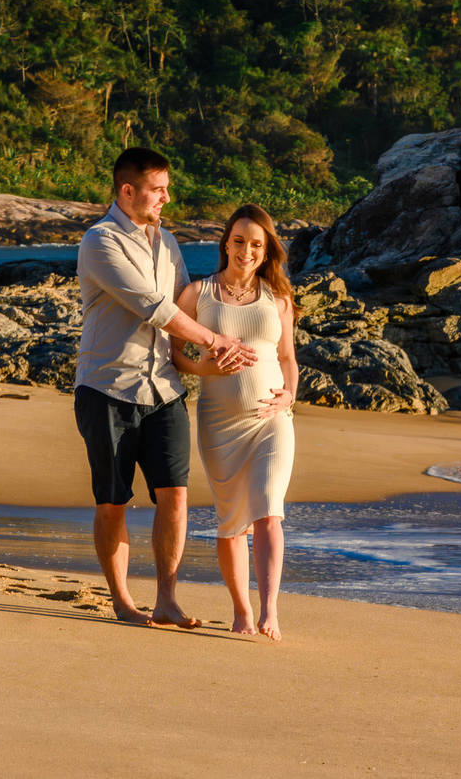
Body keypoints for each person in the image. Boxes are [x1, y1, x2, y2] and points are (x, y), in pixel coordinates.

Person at [74, 147, 257, 627]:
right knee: (114, 501)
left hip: (164, 389)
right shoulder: (100, 241)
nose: (166, 198)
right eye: (158, 190)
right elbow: (155, 308)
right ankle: (122, 602)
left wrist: (217, 356)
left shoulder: (168, 243)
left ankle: (167, 599)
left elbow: (185, 313)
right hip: (107, 389)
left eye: (166, 189)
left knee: (175, 495)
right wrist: (217, 340)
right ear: (127, 190)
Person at [172, 203, 298, 641]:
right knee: (230, 522)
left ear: (267, 251)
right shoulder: (197, 294)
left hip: (271, 418)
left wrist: (289, 395)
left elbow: (287, 359)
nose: (247, 251)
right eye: (240, 241)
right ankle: (241, 611)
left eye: (257, 244)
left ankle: (270, 611)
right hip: (219, 422)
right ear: (226, 242)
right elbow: (177, 355)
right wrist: (208, 369)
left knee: (268, 511)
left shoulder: (278, 297)